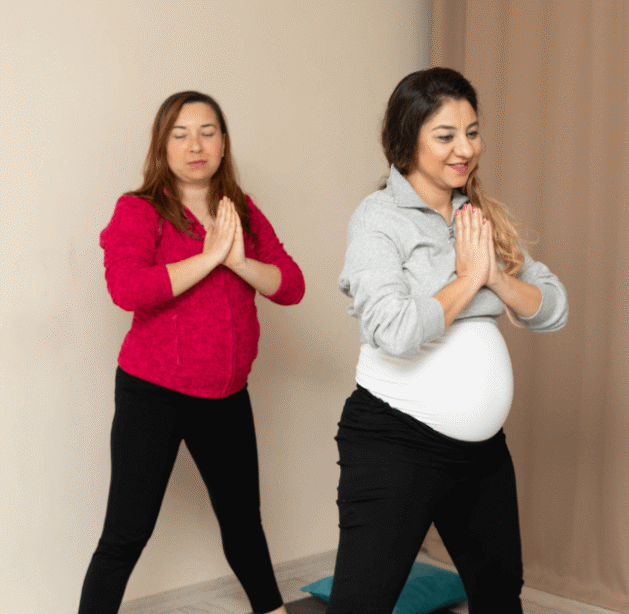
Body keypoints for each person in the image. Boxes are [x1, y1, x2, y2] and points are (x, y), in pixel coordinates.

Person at [329, 67, 568, 613]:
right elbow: (393, 330)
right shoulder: (377, 218)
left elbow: (553, 308)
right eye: (446, 136)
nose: (465, 149)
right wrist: (467, 280)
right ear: (407, 139)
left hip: (481, 454)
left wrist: (495, 277)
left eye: (472, 132)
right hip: (395, 443)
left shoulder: (478, 217)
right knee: (361, 605)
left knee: (500, 595)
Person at [82, 91, 303, 614]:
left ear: (224, 144)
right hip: (153, 394)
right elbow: (127, 289)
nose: (195, 145)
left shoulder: (241, 210)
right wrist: (208, 258)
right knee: (127, 532)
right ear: (162, 146)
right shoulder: (138, 209)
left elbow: (290, 285)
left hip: (225, 396)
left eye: (207, 132)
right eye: (179, 135)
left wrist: (239, 261)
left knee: (243, 525)